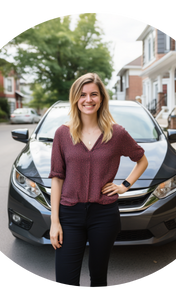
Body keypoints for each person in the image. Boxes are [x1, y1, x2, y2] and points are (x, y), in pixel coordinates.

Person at [48, 73, 148, 290]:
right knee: (65, 280)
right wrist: (55, 222)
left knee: (99, 279)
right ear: (75, 98)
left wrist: (124, 186)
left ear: (101, 98)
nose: (88, 99)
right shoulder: (62, 134)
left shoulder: (117, 133)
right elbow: (57, 177)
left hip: (104, 215)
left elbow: (141, 160)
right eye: (82, 95)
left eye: (94, 94)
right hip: (69, 215)